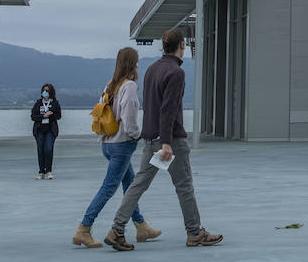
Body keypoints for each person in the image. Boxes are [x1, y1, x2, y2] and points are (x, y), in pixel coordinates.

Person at [109, 29, 222, 249]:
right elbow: (169, 110)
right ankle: (195, 233)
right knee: (184, 186)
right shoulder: (176, 73)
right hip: (170, 141)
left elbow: (153, 106)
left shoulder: (152, 69)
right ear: (182, 44)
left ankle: (116, 229)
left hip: (150, 137)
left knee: (139, 184)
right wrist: (167, 142)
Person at [72, 47, 161, 249]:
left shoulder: (110, 85)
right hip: (122, 145)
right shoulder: (129, 86)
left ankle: (141, 226)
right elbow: (129, 118)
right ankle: (83, 229)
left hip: (107, 143)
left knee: (129, 185)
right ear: (134, 63)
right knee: (109, 188)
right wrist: (137, 135)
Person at [31, 83, 62, 178]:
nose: (45, 92)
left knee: (48, 149)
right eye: (44, 90)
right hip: (39, 129)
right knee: (40, 150)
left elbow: (59, 116)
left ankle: (48, 171)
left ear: (51, 92)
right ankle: (41, 172)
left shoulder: (55, 103)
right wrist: (43, 116)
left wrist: (51, 114)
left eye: (47, 90)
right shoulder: (38, 103)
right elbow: (33, 116)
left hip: (50, 129)